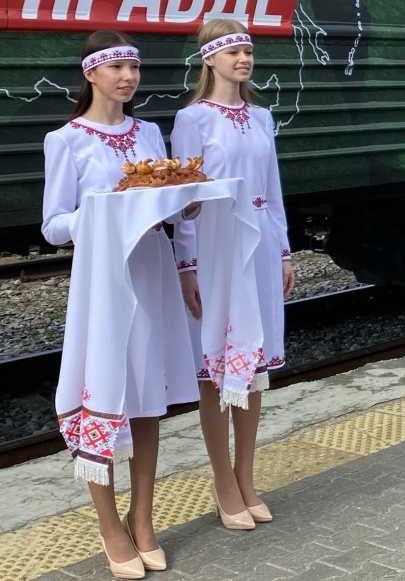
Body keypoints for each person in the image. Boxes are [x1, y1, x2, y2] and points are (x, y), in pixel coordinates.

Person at [44, 31, 200, 578]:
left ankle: (144, 519)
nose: (128, 77)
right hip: (103, 282)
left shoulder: (151, 132)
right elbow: (53, 226)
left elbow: (167, 203)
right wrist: (103, 208)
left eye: (133, 67)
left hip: (151, 270)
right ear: (91, 74)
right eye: (116, 68)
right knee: (102, 390)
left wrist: (187, 207)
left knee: (147, 396)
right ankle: (110, 525)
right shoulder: (66, 140)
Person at [171, 20, 294, 530]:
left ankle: (247, 477)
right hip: (218, 251)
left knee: (255, 364)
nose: (244, 59)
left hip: (260, 246)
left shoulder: (262, 117)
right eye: (235, 51)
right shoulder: (192, 119)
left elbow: (273, 186)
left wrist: (285, 251)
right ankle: (223, 483)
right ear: (210, 59)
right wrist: (188, 264)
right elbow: (182, 200)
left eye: (248, 50)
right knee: (214, 369)